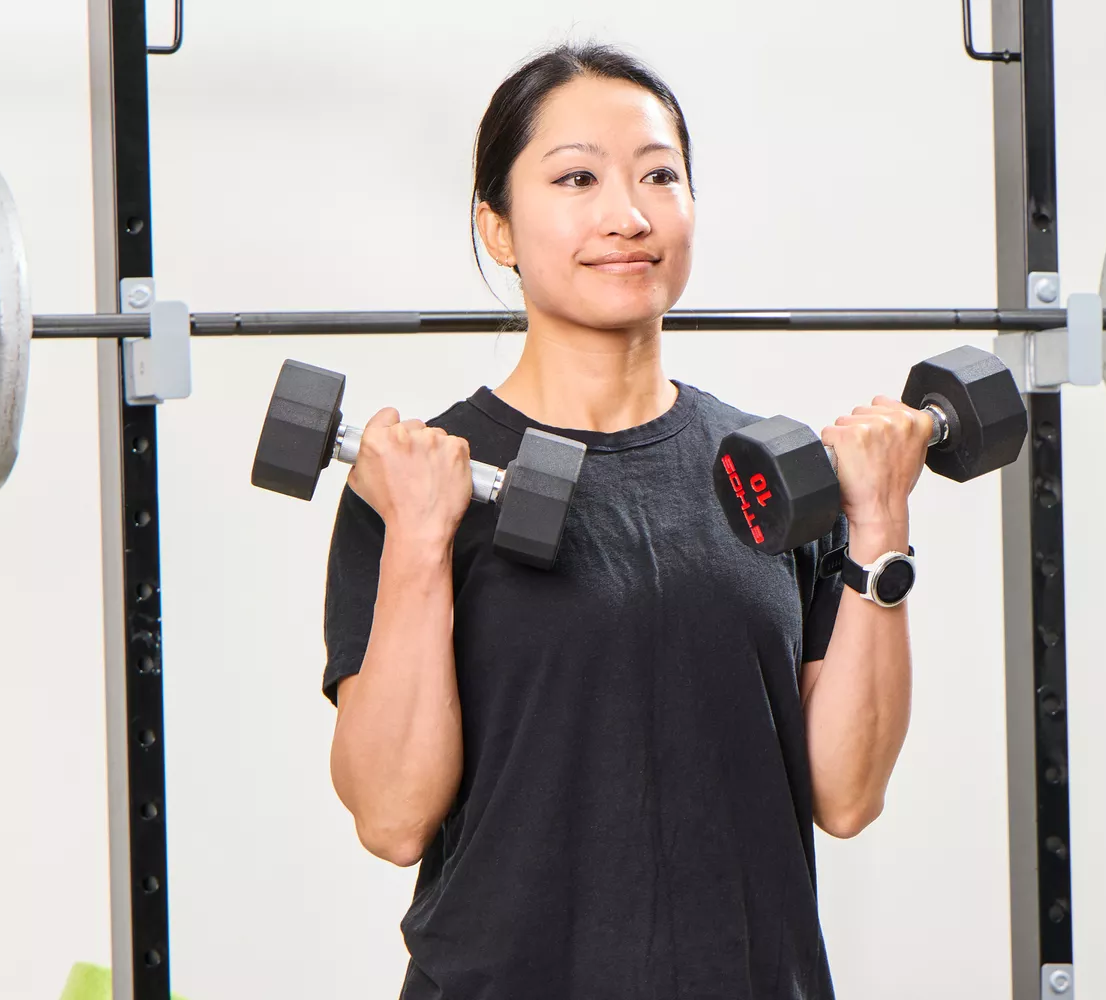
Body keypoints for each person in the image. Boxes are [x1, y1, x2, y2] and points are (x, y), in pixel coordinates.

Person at [323, 42, 929, 1000]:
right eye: (577, 178)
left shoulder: (773, 475)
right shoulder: (415, 482)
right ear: (499, 228)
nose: (629, 215)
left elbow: (847, 796)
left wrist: (880, 527)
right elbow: (393, 819)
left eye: (660, 175)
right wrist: (420, 539)